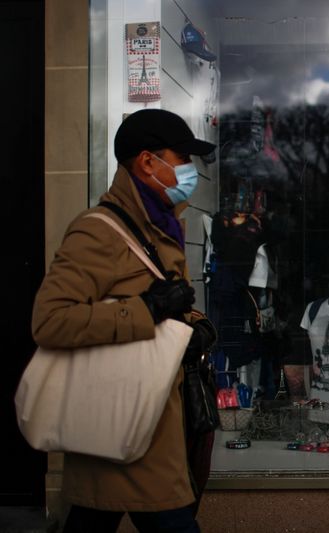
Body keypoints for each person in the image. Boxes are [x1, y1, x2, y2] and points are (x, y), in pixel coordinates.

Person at [31, 109, 217, 532]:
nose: (190, 170)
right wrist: (146, 310)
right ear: (149, 162)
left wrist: (195, 327)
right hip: (125, 420)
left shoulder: (158, 225)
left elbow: (166, 305)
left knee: (93, 517)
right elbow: (50, 321)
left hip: (148, 419)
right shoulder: (98, 231)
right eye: (182, 157)